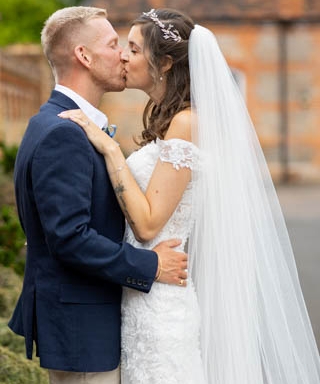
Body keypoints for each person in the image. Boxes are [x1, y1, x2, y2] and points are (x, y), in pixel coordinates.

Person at [59, 7, 320, 384]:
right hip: (142, 292)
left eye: (133, 48)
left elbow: (149, 224)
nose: (123, 56)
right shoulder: (171, 120)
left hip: (160, 305)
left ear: (163, 63)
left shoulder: (186, 122)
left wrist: (110, 149)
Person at [8, 6, 189, 384]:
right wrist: (151, 265)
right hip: (83, 330)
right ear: (84, 57)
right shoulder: (63, 132)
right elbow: (69, 238)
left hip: (98, 321)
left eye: (129, 48)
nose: (122, 54)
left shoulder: (62, 123)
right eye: (113, 44)